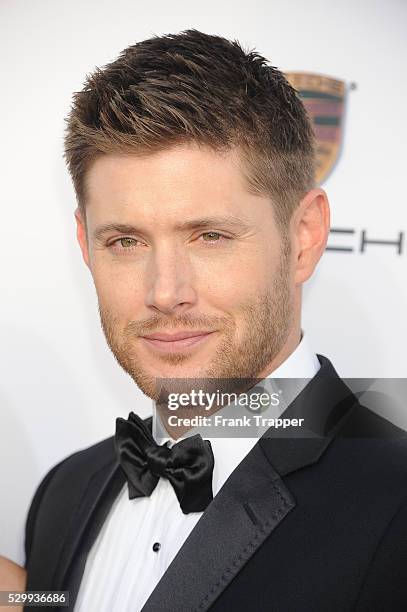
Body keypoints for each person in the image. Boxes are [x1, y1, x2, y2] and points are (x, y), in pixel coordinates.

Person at [22, 29, 407, 611]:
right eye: (125, 241)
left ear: (302, 238)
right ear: (84, 243)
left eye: (210, 236)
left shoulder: (397, 500)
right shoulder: (65, 491)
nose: (165, 292)